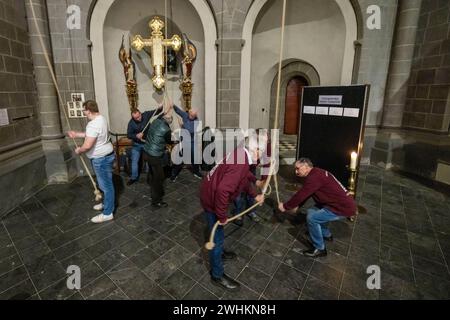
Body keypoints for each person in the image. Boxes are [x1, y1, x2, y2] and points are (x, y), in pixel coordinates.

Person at [200, 136, 265, 291]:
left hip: (209, 190)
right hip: (212, 197)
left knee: (218, 235)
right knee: (217, 237)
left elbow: (244, 176)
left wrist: (254, 193)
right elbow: (223, 190)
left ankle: (220, 252)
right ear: (254, 150)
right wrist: (222, 216)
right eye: (261, 151)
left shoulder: (240, 153)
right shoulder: (240, 161)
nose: (261, 155)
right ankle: (217, 275)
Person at [278, 158, 356, 257]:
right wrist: (297, 206)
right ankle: (326, 234)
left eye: (298, 169)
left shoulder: (314, 178)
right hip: (334, 204)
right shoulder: (316, 173)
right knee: (311, 211)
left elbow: (301, 194)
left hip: (342, 208)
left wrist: (285, 207)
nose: (296, 172)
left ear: (306, 167)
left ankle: (320, 249)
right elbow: (307, 193)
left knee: (312, 218)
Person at [67, 100, 115, 224]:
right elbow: (92, 135)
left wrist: (80, 150)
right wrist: (76, 134)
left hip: (101, 159)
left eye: (84, 110)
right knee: (105, 184)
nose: (84, 113)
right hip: (107, 155)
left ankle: (108, 213)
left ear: (88, 110)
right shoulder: (102, 118)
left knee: (106, 186)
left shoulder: (93, 124)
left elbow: (88, 145)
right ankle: (105, 204)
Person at [143, 113, 173, 208]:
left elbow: (161, 115)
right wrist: (176, 140)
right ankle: (156, 201)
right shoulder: (167, 130)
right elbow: (169, 141)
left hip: (146, 152)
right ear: (169, 122)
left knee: (153, 173)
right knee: (159, 178)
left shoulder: (156, 121)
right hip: (154, 156)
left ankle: (152, 187)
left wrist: (165, 109)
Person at [126, 108, 159, 185]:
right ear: (133, 118)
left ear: (140, 113)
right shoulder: (131, 123)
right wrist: (136, 136)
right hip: (136, 145)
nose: (138, 118)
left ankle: (150, 177)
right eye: (136, 118)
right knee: (134, 161)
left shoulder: (146, 114)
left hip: (147, 143)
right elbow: (129, 135)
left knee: (149, 160)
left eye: (139, 116)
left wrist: (160, 107)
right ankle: (134, 178)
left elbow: (156, 111)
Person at [170, 105, 203, 181]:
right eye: (191, 115)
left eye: (194, 116)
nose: (192, 117)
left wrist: (182, 125)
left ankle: (196, 172)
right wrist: (173, 105)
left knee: (195, 158)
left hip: (191, 142)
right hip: (183, 141)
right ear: (189, 113)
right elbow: (178, 111)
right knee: (179, 157)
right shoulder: (185, 115)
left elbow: (190, 130)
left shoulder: (196, 121)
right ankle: (174, 174)